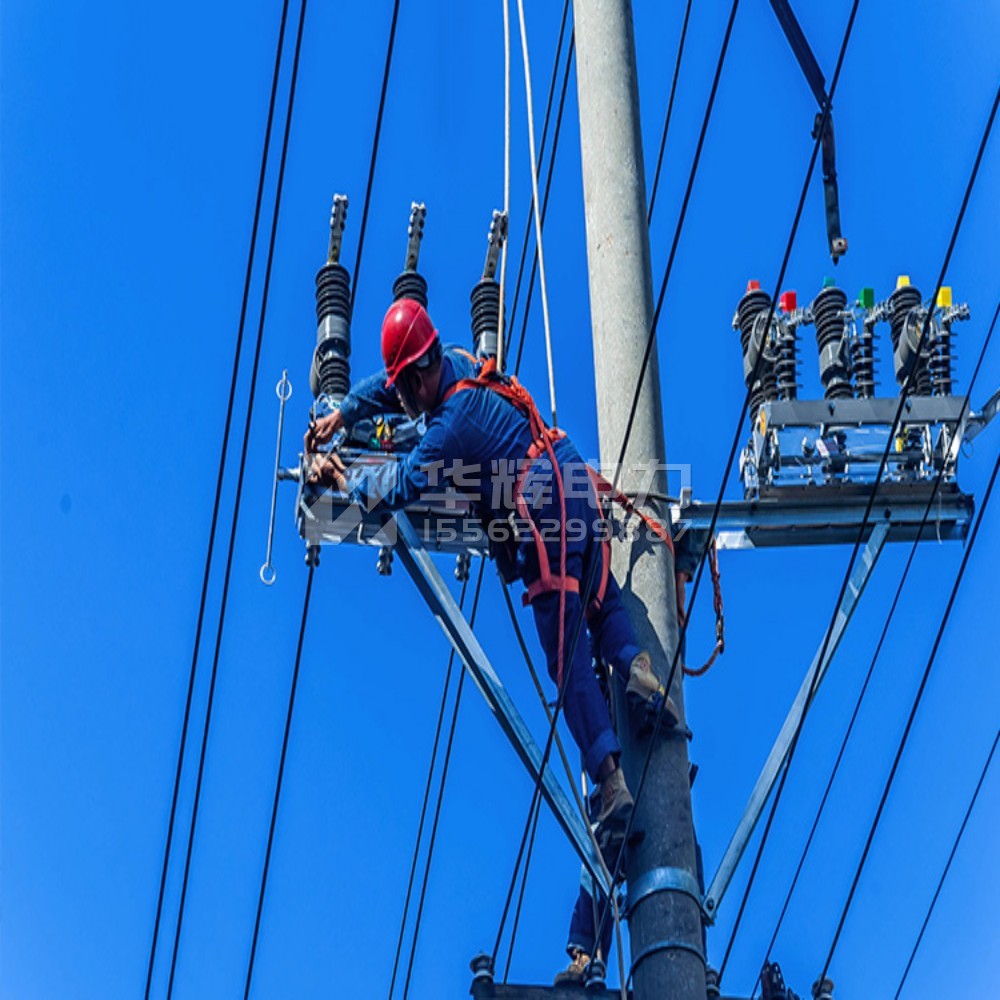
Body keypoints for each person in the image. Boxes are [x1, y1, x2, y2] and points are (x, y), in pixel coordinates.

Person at [304, 298, 676, 856]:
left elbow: (400, 486)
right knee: (603, 603)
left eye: (404, 390)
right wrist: (346, 414)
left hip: (540, 506)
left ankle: (610, 784)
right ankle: (641, 676)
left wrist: (342, 479)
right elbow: (386, 387)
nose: (401, 401)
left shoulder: (449, 428)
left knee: (567, 654)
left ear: (415, 379)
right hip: (569, 475)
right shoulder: (455, 360)